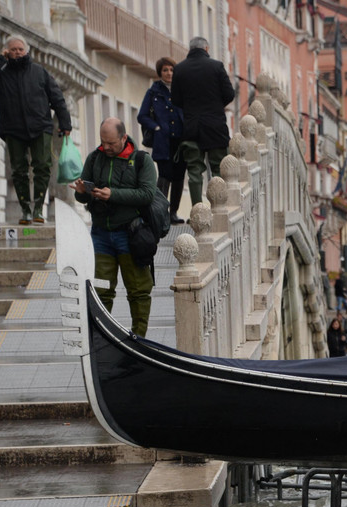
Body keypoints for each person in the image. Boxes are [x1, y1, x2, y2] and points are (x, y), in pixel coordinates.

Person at [72, 118, 158, 337]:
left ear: (123, 138)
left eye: (111, 143)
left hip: (130, 234)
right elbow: (81, 197)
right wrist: (82, 191)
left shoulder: (140, 160)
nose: (106, 147)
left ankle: (139, 338)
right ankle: (102, 337)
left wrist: (113, 194)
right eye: (103, 142)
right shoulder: (95, 157)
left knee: (138, 290)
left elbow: (147, 194)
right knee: (100, 289)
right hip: (101, 235)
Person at [0, 35, 71, 225]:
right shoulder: (2, 72)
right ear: (7, 51)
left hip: (41, 127)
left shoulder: (40, 72)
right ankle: (26, 211)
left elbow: (57, 98)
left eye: (20, 49)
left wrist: (65, 124)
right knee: (19, 170)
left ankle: (38, 207)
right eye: (12, 49)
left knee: (42, 166)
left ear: (26, 51)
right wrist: (0, 59)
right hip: (13, 129)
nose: (16, 52)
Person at [170, 36, 235, 206]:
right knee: (218, 168)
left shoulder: (180, 69)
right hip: (215, 126)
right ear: (206, 49)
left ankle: (197, 209)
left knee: (194, 171)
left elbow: (175, 99)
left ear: (190, 49)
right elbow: (229, 94)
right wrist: (215, 106)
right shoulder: (216, 66)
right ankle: (220, 207)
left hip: (191, 126)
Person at [138, 56, 186, 225]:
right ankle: (159, 212)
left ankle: (173, 212)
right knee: (164, 176)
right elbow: (142, 116)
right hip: (162, 142)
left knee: (179, 176)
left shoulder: (181, 90)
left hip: (180, 141)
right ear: (160, 72)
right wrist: (156, 127)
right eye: (165, 70)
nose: (169, 73)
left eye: (172, 70)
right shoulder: (153, 92)